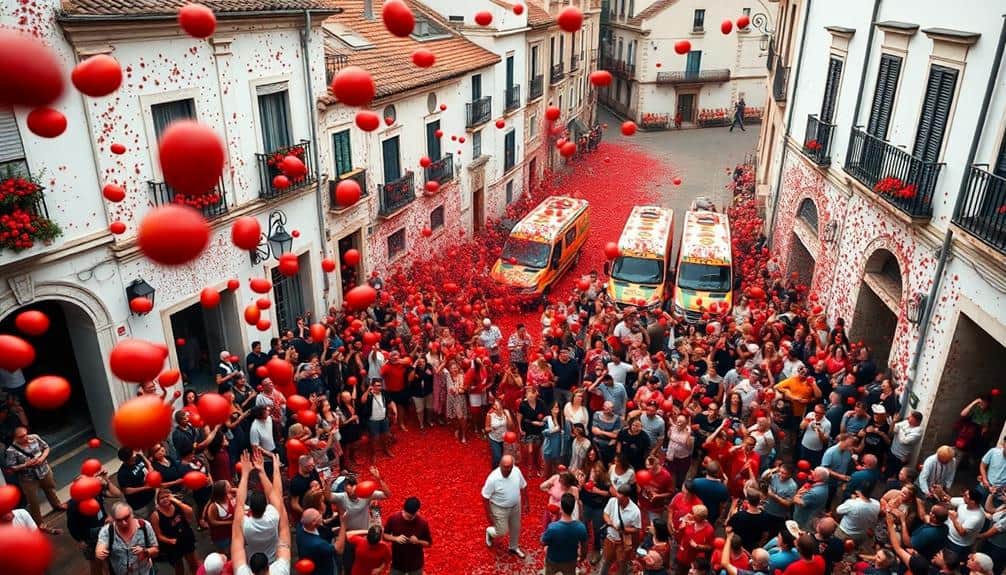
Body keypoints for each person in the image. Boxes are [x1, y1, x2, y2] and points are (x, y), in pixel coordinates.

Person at [231, 451, 291, 575]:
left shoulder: (245, 523)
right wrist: (264, 471)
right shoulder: (281, 570)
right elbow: (276, 497)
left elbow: (239, 505)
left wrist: (245, 474)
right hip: (274, 557)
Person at [4, 425, 65, 530]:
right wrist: (25, 465)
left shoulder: (35, 438)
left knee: (50, 489)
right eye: (21, 436)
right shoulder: (11, 451)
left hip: (44, 471)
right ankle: (39, 522)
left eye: (26, 434)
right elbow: (11, 468)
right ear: (15, 438)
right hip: (28, 479)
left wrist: (42, 458)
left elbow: (46, 447)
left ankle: (57, 505)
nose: (25, 437)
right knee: (33, 501)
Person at [67, 469, 122, 575]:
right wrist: (80, 540)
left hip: (104, 528)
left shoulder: (95, 492)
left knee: (110, 556)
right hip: (89, 536)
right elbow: (71, 524)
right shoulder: (74, 504)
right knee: (96, 562)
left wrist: (107, 480)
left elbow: (117, 494)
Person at [482, 454, 528, 558]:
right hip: (499, 507)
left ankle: (513, 547)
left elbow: (524, 486)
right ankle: (489, 532)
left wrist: (526, 503)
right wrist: (489, 514)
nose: (507, 469)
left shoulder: (516, 471)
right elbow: (485, 497)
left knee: (516, 527)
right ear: (500, 465)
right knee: (501, 531)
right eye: (505, 467)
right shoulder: (493, 478)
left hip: (516, 505)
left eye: (510, 467)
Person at [96, 502, 160, 575]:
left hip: (144, 572)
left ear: (132, 514)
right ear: (113, 519)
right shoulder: (107, 530)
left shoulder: (144, 526)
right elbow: (100, 547)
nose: (124, 523)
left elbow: (156, 551)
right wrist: (99, 552)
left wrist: (145, 552)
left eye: (126, 518)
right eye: (119, 520)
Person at [150, 488, 199, 575]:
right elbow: (158, 535)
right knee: (179, 567)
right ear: (157, 501)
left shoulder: (177, 506)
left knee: (193, 563)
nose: (165, 499)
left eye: (167, 496)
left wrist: (176, 501)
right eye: (162, 498)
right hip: (172, 544)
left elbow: (190, 512)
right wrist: (170, 541)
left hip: (186, 538)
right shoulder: (156, 515)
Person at [600, 483, 642, 575]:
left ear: (627, 497)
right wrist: (609, 522)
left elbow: (637, 529)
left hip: (622, 543)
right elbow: (605, 513)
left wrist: (624, 530)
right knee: (605, 561)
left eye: (620, 498)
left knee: (622, 564)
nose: (618, 500)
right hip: (610, 539)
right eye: (617, 496)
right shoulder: (612, 501)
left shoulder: (635, 511)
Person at [540, 492, 587, 575]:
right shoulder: (580, 527)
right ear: (573, 508)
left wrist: (553, 520)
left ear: (561, 508)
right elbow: (584, 546)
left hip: (553, 560)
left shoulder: (553, 528)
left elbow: (543, 542)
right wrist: (582, 558)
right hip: (570, 560)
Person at [383, 497, 432, 575]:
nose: (407, 518)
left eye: (410, 517)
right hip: (397, 564)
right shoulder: (393, 519)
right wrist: (395, 538)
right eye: (406, 515)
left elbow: (428, 543)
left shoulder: (422, 523)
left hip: (416, 565)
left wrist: (417, 541)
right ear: (403, 509)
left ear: (417, 512)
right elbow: (385, 536)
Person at [360, 379, 397, 463]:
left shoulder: (384, 393)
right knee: (374, 438)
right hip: (373, 420)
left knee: (386, 435)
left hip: (384, 419)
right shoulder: (369, 394)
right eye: (377, 385)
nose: (379, 387)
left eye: (380, 385)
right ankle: (374, 453)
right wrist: (367, 391)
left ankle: (386, 449)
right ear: (372, 386)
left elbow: (391, 402)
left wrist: (394, 410)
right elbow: (362, 400)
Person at [296, 508, 336, 575]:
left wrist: (331, 523)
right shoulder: (320, 544)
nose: (321, 515)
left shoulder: (300, 527)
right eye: (319, 515)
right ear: (314, 522)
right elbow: (339, 549)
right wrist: (343, 524)